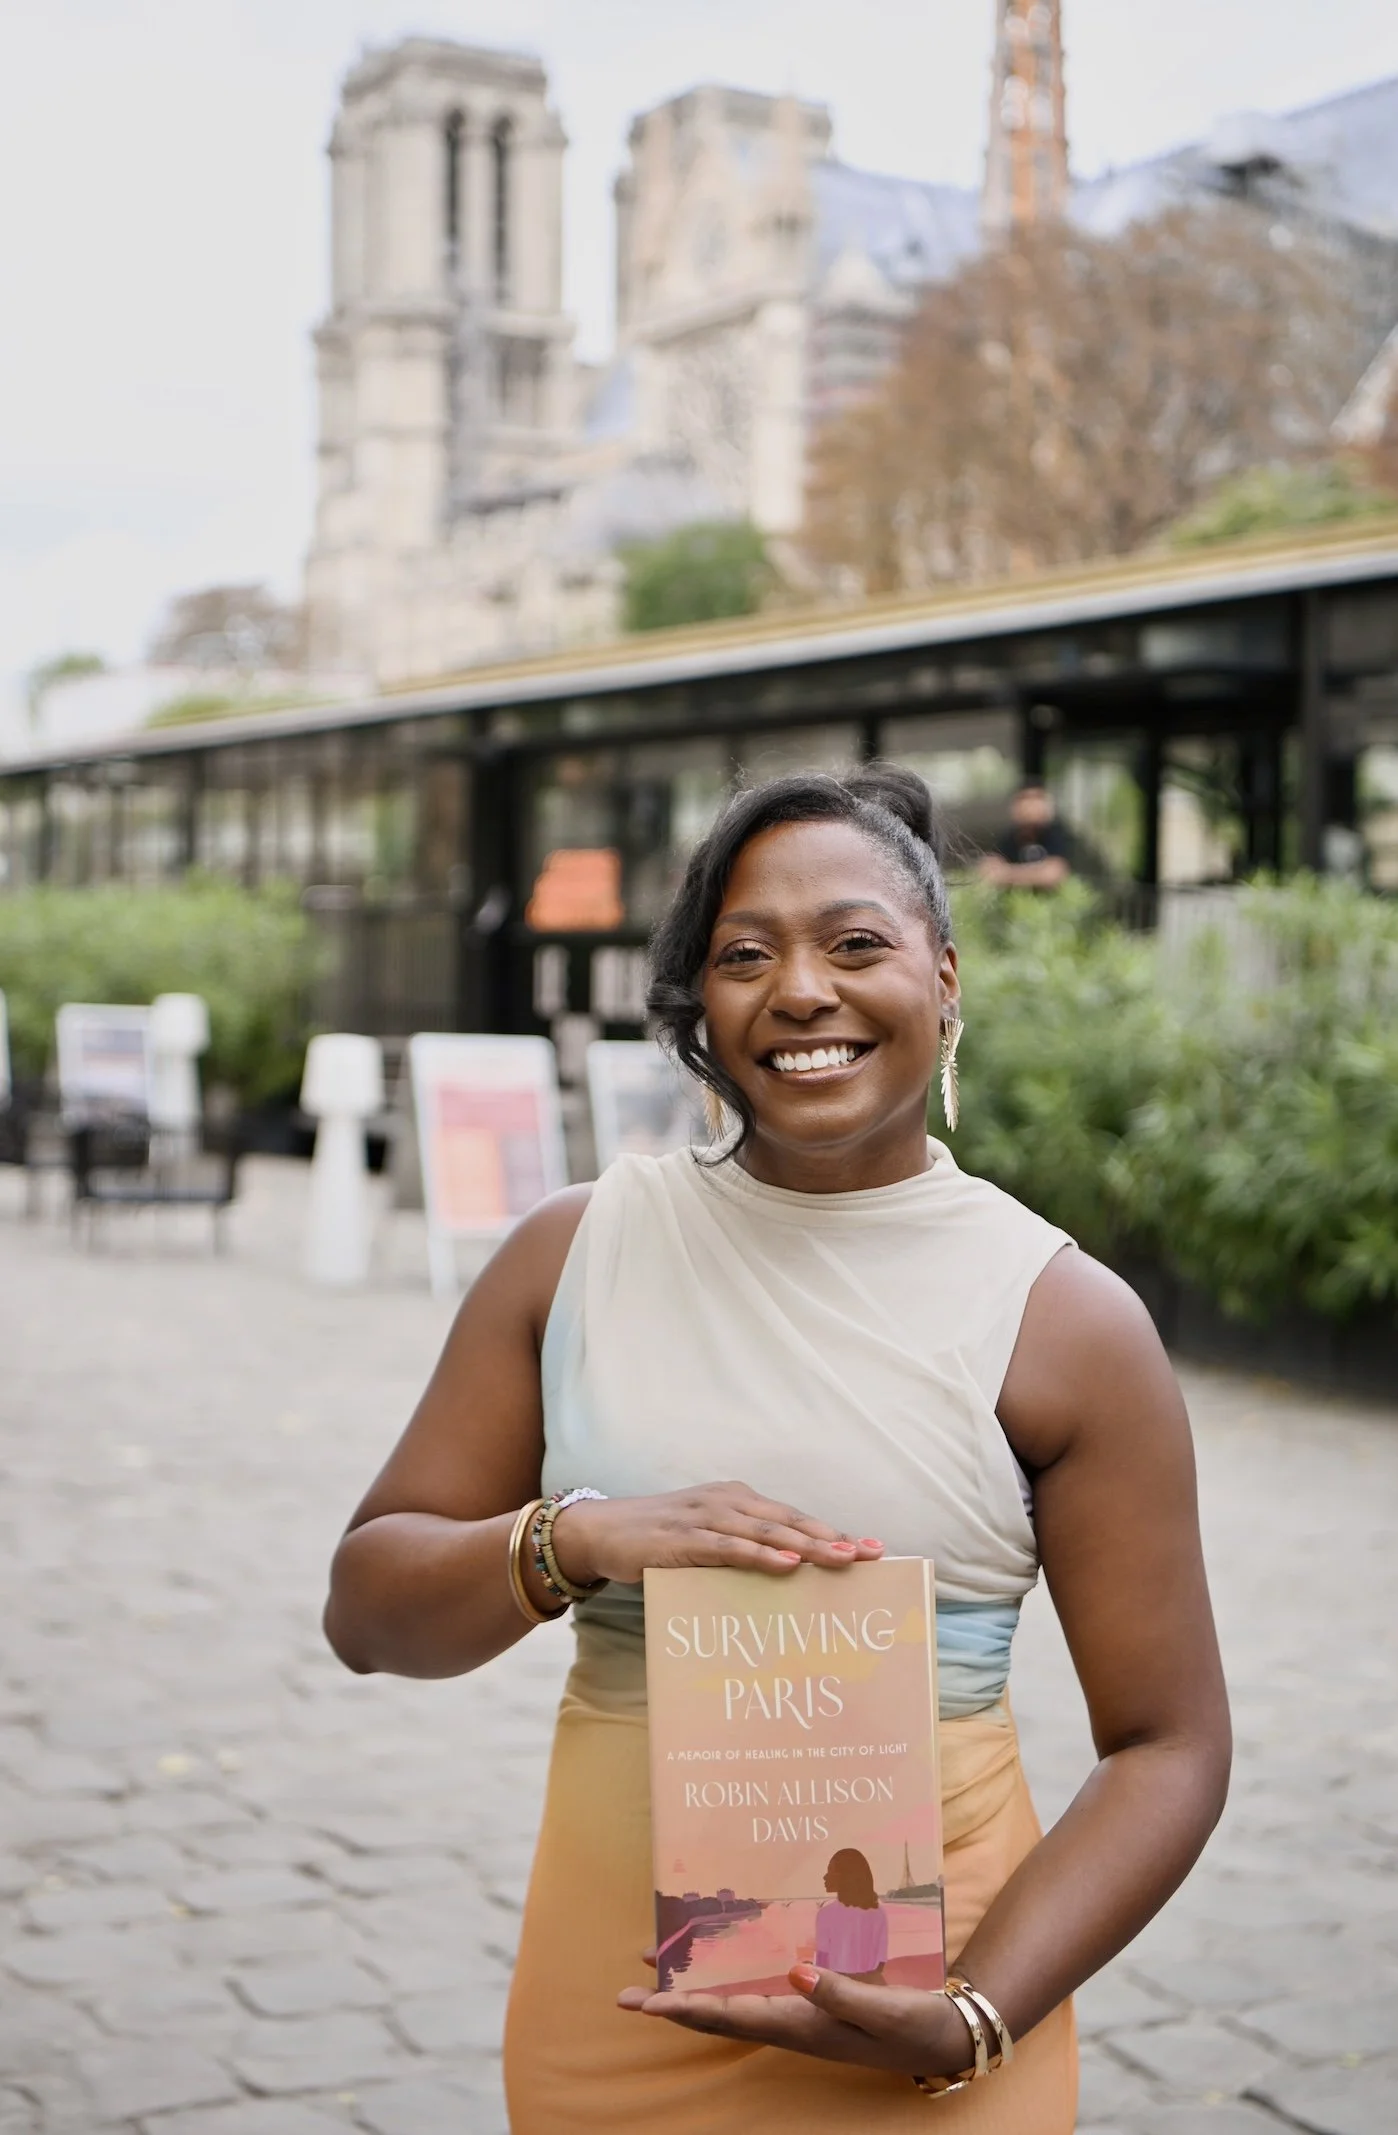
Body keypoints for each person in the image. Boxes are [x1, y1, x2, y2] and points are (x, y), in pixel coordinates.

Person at [323, 763, 1230, 2132]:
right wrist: (569, 1537)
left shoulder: (1062, 1318)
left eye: (854, 943)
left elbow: (1169, 1742)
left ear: (944, 975)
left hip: (932, 2025)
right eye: (744, 955)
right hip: (612, 2023)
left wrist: (971, 2010)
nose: (800, 989)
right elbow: (366, 1612)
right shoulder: (573, 1252)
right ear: (699, 1003)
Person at [978, 782, 1073, 889]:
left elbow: (1053, 874)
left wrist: (1007, 873)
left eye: (1037, 799)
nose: (1030, 806)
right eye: (1024, 799)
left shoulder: (1058, 835)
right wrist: (1035, 874)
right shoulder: (1009, 838)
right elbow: (988, 871)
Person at [815, 1849, 889, 1983]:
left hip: (838, 1986)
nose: (825, 1877)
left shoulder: (825, 1914)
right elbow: (881, 1961)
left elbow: (822, 1964)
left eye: (831, 1871)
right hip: (872, 1985)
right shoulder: (879, 1913)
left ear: (845, 1876)